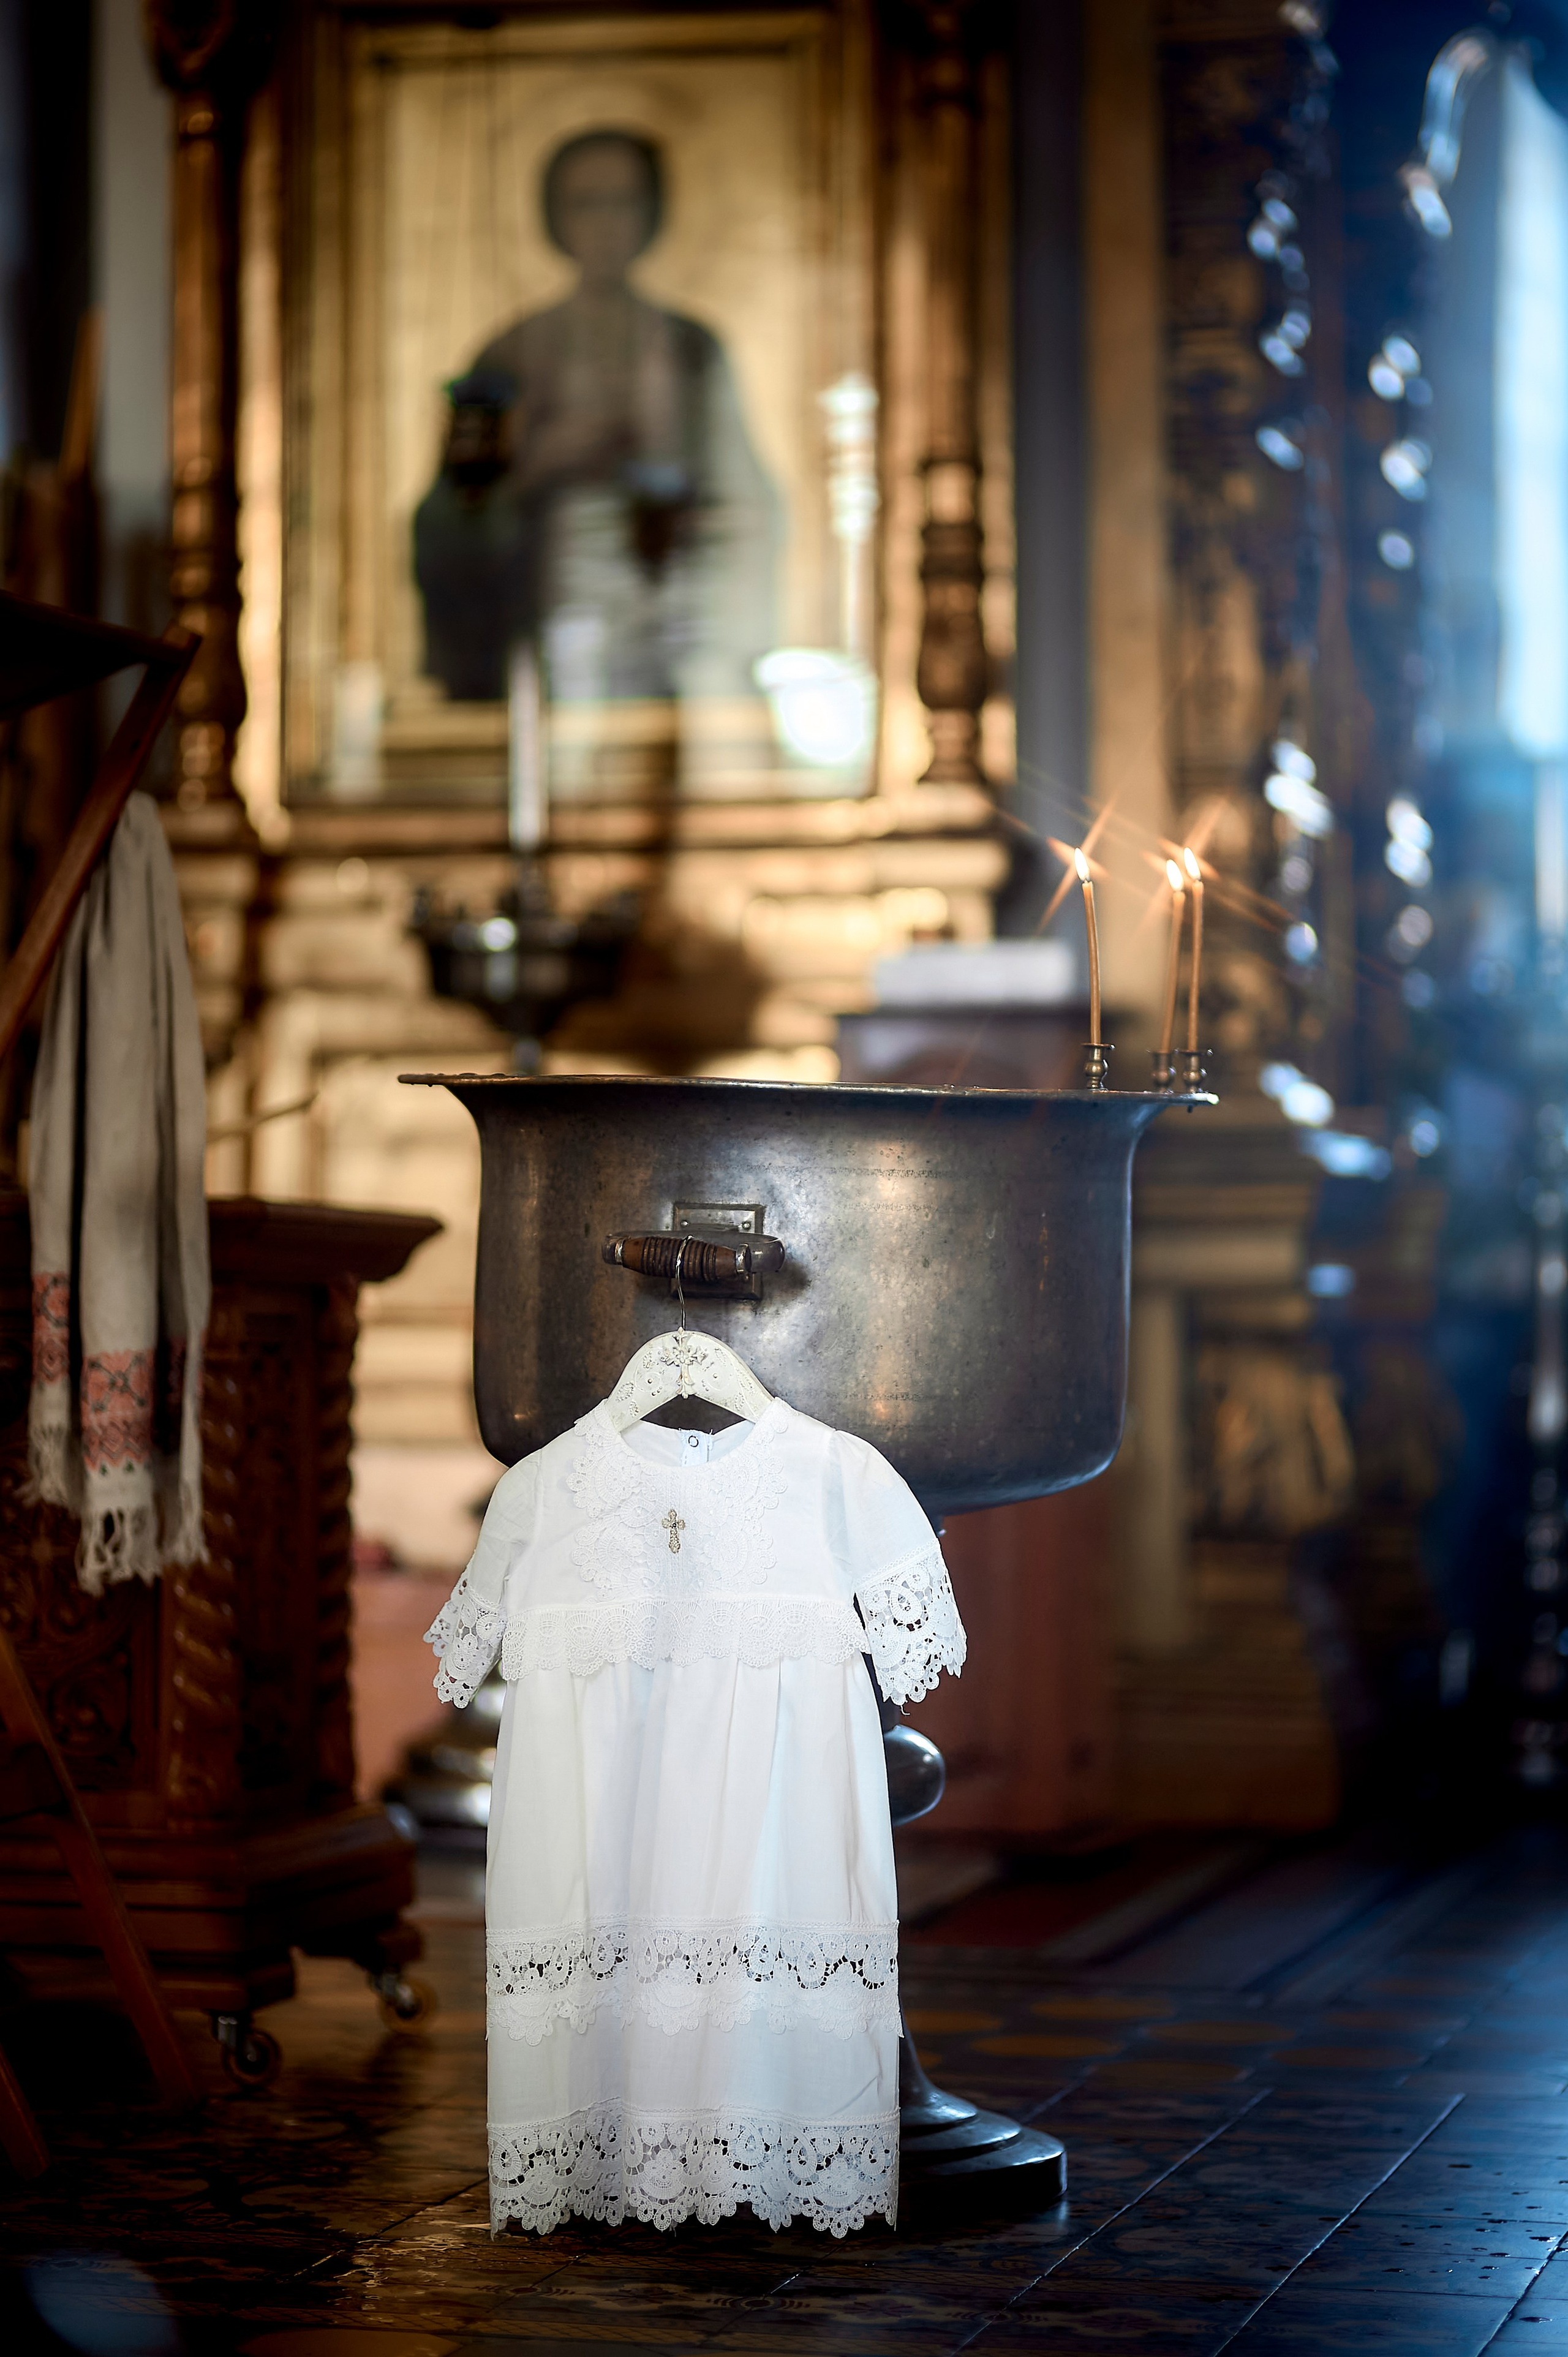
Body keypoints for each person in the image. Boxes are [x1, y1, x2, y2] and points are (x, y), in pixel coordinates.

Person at [413, 127, 779, 712]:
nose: (606, 223)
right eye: (586, 204)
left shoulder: (691, 349)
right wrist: (537, 469)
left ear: (653, 212)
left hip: (672, 622)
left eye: (623, 202)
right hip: (547, 623)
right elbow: (450, 521)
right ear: (554, 217)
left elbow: (745, 504)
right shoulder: (511, 353)